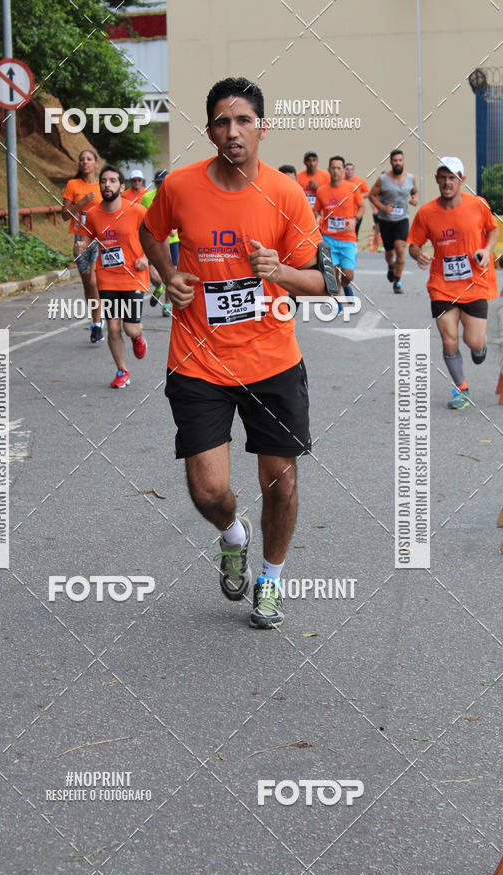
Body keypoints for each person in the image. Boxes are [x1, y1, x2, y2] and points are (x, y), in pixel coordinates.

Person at [139, 76, 334, 629]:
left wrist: (282, 272)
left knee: (282, 480)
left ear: (262, 128)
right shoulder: (179, 186)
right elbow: (149, 230)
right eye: (223, 122)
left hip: (271, 359)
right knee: (208, 488)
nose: (233, 131)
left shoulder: (286, 194)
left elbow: (325, 282)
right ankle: (232, 534)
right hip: (198, 359)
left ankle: (270, 579)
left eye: (244, 120)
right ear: (210, 131)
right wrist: (168, 273)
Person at [408, 156, 498, 409]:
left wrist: (486, 250)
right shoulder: (426, 212)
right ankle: (462, 389)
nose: (447, 183)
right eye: (443, 177)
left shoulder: (478, 205)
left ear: (462, 180)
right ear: (437, 179)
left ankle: (479, 349)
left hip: (475, 283)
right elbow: (413, 244)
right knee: (449, 340)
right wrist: (419, 254)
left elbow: (493, 229)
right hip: (442, 286)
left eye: (453, 178)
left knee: (475, 341)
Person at [82, 165, 149, 389]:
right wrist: (82, 245)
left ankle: (138, 337)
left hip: (132, 276)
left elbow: (155, 236)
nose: (106, 185)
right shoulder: (93, 214)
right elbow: (88, 239)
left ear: (122, 186)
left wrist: (146, 258)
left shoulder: (137, 211)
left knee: (130, 328)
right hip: (107, 277)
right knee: (112, 327)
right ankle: (122, 370)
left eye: (112, 181)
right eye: (103, 181)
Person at [61, 149, 104, 342]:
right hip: (80, 240)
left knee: (95, 282)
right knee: (88, 284)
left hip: (100, 239)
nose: (84, 162)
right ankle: (96, 321)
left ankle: (98, 323)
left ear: (96, 163)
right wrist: (82, 203)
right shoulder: (73, 185)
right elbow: (64, 215)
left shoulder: (103, 185)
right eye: (81, 159)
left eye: (89, 159)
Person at [314, 156, 364, 300]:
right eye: (333, 168)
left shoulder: (352, 188)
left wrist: (356, 219)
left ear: (343, 170)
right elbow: (316, 210)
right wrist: (317, 218)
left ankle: (346, 285)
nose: (335, 171)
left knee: (348, 274)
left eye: (338, 168)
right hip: (328, 238)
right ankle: (338, 302)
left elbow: (362, 206)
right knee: (333, 274)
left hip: (348, 238)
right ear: (329, 170)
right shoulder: (322, 191)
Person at [370, 149, 418, 293]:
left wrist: (415, 199)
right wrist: (383, 208)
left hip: (402, 219)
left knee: (400, 248)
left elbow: (414, 191)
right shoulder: (383, 179)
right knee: (390, 253)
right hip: (386, 220)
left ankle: (397, 281)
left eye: (400, 160)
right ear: (391, 162)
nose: (398, 163)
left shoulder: (410, 178)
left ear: (403, 161)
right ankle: (391, 266)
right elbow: (372, 196)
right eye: (395, 160)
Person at [141, 170, 175, 316]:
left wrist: (173, 227)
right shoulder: (147, 197)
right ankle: (158, 287)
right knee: (154, 275)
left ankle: (167, 304)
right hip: (153, 240)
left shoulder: (175, 195)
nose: (161, 186)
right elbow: (141, 219)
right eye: (158, 183)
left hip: (173, 241)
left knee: (171, 274)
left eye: (163, 183)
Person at [344, 162, 370, 239]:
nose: (349, 171)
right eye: (347, 169)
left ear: (354, 171)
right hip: (344, 213)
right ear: (344, 170)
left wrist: (358, 196)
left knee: (355, 232)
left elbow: (368, 193)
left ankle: (353, 249)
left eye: (351, 169)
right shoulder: (341, 181)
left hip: (357, 212)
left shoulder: (359, 181)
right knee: (345, 233)